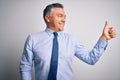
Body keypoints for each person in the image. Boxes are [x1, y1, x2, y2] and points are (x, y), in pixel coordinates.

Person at [19, 3, 116, 80]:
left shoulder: (71, 40)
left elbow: (91, 59)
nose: (64, 20)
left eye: (65, 17)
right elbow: (25, 66)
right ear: (48, 18)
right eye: (60, 16)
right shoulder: (33, 39)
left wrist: (104, 38)